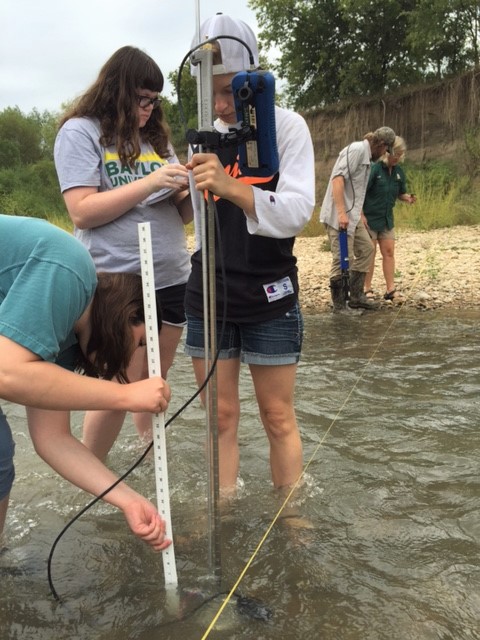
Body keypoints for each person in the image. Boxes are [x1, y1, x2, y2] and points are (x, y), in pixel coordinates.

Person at [185, 14, 315, 495]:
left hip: (270, 292)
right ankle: (221, 507)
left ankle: (292, 518)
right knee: (220, 416)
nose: (221, 105)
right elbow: (197, 218)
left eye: (229, 91)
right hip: (209, 295)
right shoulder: (202, 133)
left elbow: (299, 211)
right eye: (210, 91)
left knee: (277, 415)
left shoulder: (288, 128)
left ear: (252, 79)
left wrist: (231, 186)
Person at [0, 214, 171, 550]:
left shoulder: (63, 337)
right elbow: (6, 373)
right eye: (141, 342)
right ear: (128, 312)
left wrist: (128, 500)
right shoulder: (71, 268)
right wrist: (126, 396)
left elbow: (53, 439)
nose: (136, 354)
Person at [54, 46, 192, 461]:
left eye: (154, 100)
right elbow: (82, 210)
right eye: (141, 98)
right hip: (115, 278)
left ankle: (148, 456)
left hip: (170, 274)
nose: (149, 109)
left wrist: (194, 192)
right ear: (116, 91)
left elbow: (181, 216)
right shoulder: (80, 132)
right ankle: (92, 474)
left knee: (154, 378)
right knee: (115, 385)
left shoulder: (155, 140)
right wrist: (150, 184)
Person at [320, 126, 396, 313]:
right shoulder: (355, 151)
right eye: (386, 150)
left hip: (353, 215)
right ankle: (339, 306)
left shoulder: (367, 158)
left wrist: (359, 214)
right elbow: (337, 180)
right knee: (342, 260)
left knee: (367, 249)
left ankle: (356, 297)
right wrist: (341, 213)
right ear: (380, 144)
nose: (385, 155)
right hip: (339, 216)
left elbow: (357, 191)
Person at [363, 136, 416, 301]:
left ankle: (390, 290)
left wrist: (407, 198)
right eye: (396, 154)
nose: (398, 157)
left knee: (389, 252)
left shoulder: (399, 172)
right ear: (387, 152)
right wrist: (360, 215)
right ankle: (366, 288)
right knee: (369, 254)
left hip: (387, 219)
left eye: (400, 154)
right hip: (369, 219)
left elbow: (400, 193)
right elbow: (361, 192)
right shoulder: (374, 169)